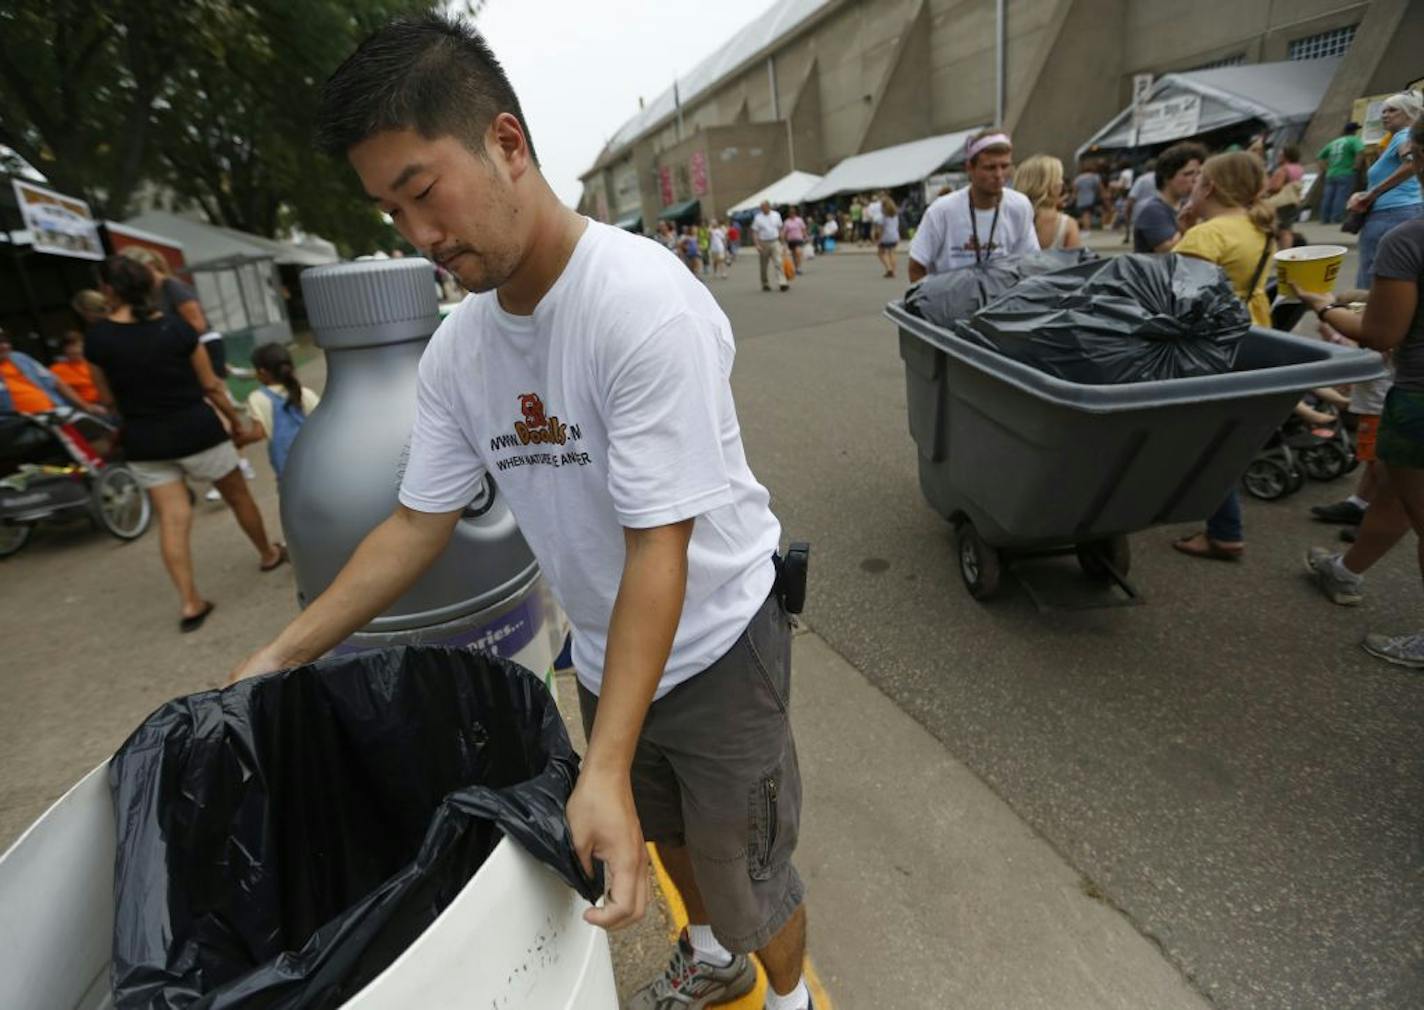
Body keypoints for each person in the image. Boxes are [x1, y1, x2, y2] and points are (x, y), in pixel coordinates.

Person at [229, 14, 814, 1010]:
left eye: (422, 191)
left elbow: (656, 550)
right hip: (604, 646)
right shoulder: (460, 352)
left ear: (506, 143)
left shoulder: (640, 304)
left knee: (746, 866)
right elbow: (417, 524)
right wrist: (281, 655)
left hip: (716, 640)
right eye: (391, 211)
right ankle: (711, 956)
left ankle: (786, 994)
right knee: (663, 828)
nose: (418, 235)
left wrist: (606, 762)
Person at [85, 255, 285, 632]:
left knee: (173, 519)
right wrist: (235, 419)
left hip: (145, 439)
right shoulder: (177, 330)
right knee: (238, 495)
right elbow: (211, 385)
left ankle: (191, 600)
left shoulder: (97, 340)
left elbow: (107, 399)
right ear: (149, 286)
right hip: (197, 430)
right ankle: (268, 553)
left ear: (107, 290)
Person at [1300, 117, 1424, 666]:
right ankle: (1345, 572)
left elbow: (1381, 335)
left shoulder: (1409, 239)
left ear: (1414, 158)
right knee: (1395, 493)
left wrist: (1324, 307)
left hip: (1419, 401)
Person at [1170, 152, 1276, 562]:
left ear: (1209, 187)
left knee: (1205, 439)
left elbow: (1178, 301)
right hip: (1254, 332)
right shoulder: (1257, 227)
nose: (1192, 187)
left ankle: (1225, 530)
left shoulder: (1207, 236)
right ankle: (1220, 522)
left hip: (1210, 345)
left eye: (1197, 181)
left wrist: (1186, 236)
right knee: (1227, 436)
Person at [908, 128, 1039, 280]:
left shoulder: (1020, 206)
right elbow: (916, 267)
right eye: (990, 168)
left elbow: (1030, 264)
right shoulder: (942, 211)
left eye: (1005, 166)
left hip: (1004, 301)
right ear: (970, 168)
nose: (999, 175)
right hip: (951, 301)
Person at [1348, 92, 1423, 288]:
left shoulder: (1403, 136)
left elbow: (1411, 163)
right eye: (1383, 111)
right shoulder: (1402, 138)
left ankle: (1367, 315)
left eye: (1392, 110)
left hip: (1390, 214)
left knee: (1373, 273)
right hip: (1405, 210)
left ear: (1409, 114)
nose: (1385, 115)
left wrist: (1373, 193)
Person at [245, 342, 320, 480]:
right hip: (317, 463)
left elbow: (257, 434)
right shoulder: (304, 393)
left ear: (261, 373)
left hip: (287, 470)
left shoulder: (257, 398)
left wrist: (239, 440)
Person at [0, 330, 96, 416]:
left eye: (5, 341)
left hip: (56, 411)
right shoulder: (59, 368)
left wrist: (85, 406)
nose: (4, 346)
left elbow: (56, 382)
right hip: (22, 426)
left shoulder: (20, 357)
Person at [1132, 142, 1206, 253]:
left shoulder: (1184, 205)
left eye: (1198, 174)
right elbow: (1169, 251)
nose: (1195, 179)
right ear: (1167, 176)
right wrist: (1187, 228)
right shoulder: (1153, 210)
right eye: (1188, 174)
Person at [1015, 154, 1081, 251]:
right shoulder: (1066, 224)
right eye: (1059, 178)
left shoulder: (1009, 217)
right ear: (1049, 184)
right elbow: (1075, 262)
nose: (1062, 183)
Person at [1317, 122, 1364, 225]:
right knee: (1341, 196)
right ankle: (1336, 218)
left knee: (1328, 196)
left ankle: (1324, 218)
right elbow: (1360, 152)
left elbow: (1320, 156)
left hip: (1331, 173)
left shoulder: (1334, 142)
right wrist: (1356, 166)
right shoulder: (1354, 140)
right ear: (1354, 131)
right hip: (1346, 172)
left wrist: (1325, 169)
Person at [1265, 144, 1306, 249]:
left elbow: (1275, 187)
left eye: (1280, 155)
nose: (1278, 157)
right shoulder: (1299, 168)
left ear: (1286, 156)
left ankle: (1283, 251)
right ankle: (1288, 250)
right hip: (1294, 201)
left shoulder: (1283, 169)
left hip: (1282, 203)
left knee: (1282, 230)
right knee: (1287, 228)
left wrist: (1267, 187)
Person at [49, 332, 103, 406]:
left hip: (107, 401)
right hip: (86, 406)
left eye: (78, 346)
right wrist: (87, 406)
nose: (76, 350)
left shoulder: (94, 362)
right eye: (70, 347)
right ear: (64, 350)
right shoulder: (57, 369)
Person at [752, 199, 790, 292]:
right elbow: (755, 232)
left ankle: (782, 282)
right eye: (761, 208)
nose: (763, 209)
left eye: (764, 207)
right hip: (763, 242)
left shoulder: (776, 215)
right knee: (764, 265)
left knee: (778, 262)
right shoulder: (758, 217)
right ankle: (765, 283)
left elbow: (780, 229)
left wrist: (783, 243)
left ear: (769, 207)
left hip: (775, 241)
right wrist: (757, 244)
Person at [1122, 161, 1157, 244]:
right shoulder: (1163, 178)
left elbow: (1132, 197)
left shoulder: (1141, 179)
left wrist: (1127, 209)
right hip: (1159, 208)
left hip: (1141, 210)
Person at [1072, 162, 1105, 231]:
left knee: (1085, 213)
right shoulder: (1095, 177)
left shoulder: (1078, 178)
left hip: (1081, 199)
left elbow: (1075, 190)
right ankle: (1100, 225)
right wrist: (1103, 195)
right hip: (1092, 198)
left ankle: (1087, 228)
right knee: (1097, 211)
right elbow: (1100, 187)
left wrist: (1074, 198)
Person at [876, 195, 901, 278]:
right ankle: (893, 271)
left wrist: (879, 239)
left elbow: (881, 230)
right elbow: (897, 226)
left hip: (886, 237)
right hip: (894, 235)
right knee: (892, 253)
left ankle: (889, 268)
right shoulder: (895, 215)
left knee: (880, 253)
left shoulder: (883, 217)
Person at [781, 207, 808, 273]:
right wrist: (783, 240)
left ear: (795, 213)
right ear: (789, 214)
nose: (792, 214)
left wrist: (805, 236)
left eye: (793, 213)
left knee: (798, 252)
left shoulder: (799, 220)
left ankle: (798, 267)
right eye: (790, 213)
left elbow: (803, 228)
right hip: (790, 240)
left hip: (799, 239)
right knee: (793, 255)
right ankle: (796, 267)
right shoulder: (787, 222)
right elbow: (784, 232)